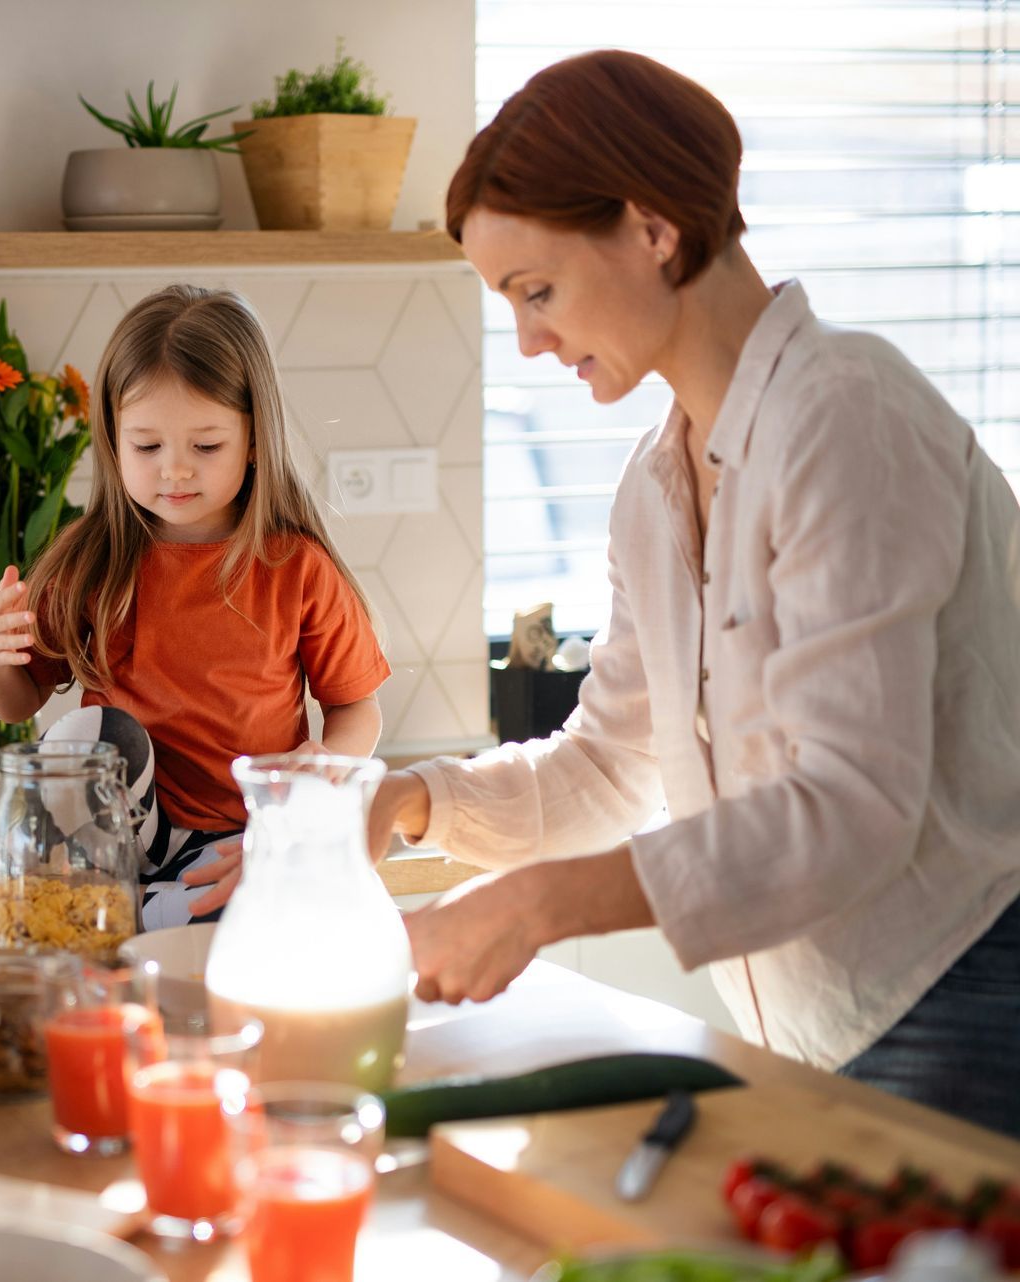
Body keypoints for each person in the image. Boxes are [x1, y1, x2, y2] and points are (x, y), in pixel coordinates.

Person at [375, 50, 1020, 1136]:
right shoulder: (654, 486)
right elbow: (610, 767)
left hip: (968, 997)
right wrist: (411, 802)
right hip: (810, 1029)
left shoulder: (847, 419)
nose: (528, 340)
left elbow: (852, 806)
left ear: (653, 229)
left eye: (537, 291)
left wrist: (536, 908)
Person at [0, 284, 389, 928]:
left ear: (254, 441)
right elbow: (19, 702)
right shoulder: (92, 558)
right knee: (96, 736)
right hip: (112, 832)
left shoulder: (297, 568)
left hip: (235, 838)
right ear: (113, 439)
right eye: (148, 446)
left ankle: (131, 913)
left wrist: (331, 762)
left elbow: (357, 708)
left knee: (222, 917)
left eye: (206, 447)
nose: (176, 471)